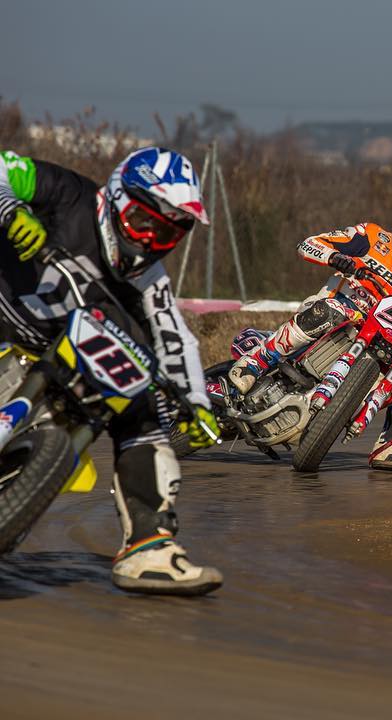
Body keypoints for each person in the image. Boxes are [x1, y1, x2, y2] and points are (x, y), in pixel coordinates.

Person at [0, 147, 222, 595]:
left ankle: (149, 547)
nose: (149, 241)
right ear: (117, 199)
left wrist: (197, 404)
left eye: (167, 235)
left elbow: (175, 336)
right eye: (144, 223)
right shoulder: (67, 195)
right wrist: (9, 207)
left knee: (143, 410)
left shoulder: (149, 279)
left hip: (57, 360)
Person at [228, 195, 392, 471]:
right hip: (335, 314)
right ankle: (255, 362)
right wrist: (336, 258)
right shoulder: (372, 238)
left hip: (381, 344)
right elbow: (308, 244)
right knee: (335, 309)